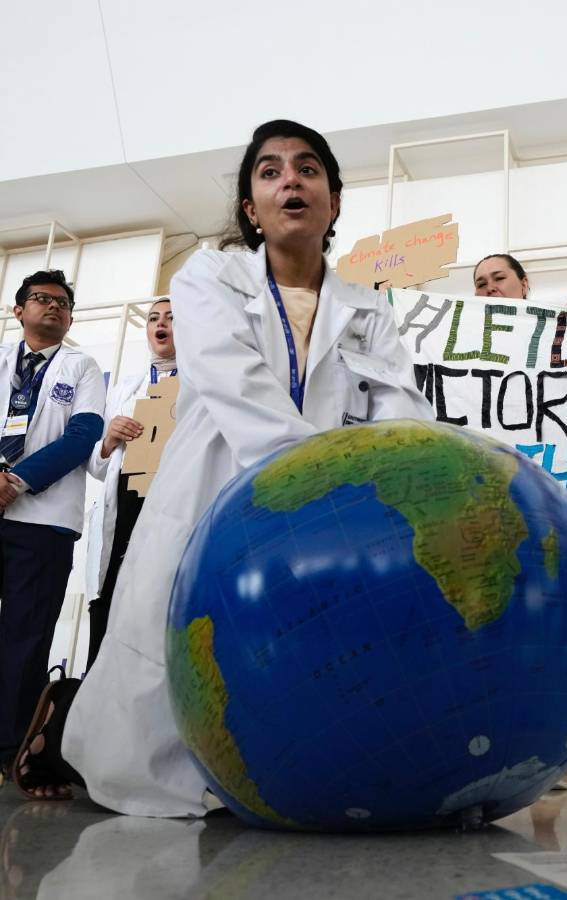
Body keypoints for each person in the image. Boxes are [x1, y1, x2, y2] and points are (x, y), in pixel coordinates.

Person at [11, 119, 432, 809]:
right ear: (249, 207)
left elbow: (399, 406)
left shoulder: (368, 308)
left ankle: (266, 776)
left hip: (330, 503)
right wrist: (324, 487)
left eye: (307, 169)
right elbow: (236, 384)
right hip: (218, 482)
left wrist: (408, 485)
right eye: (269, 172)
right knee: (165, 648)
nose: (289, 180)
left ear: (332, 201)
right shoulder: (208, 275)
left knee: (299, 648)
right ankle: (72, 737)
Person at [0, 270, 105, 784]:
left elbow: (82, 436)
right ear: (18, 310)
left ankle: (9, 747)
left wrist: (14, 481)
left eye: (63, 303)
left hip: (42, 520)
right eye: (41, 299)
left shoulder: (81, 365)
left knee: (26, 634)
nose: (54, 308)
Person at [83, 298, 177, 669]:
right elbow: (97, 466)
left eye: (171, 317)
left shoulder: (201, 385)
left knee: (157, 603)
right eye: (154, 318)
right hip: (124, 504)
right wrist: (109, 439)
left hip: (169, 500)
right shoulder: (125, 388)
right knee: (109, 602)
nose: (161, 323)